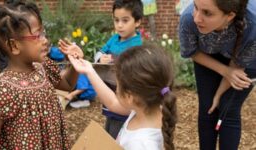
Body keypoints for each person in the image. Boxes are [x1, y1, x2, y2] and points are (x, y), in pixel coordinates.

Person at [0, 1, 83, 149]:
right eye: (37, 36)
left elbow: (68, 85)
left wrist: (74, 63)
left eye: (43, 33)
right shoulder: (4, 90)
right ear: (14, 46)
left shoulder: (42, 68)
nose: (45, 40)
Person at [64, 44, 177, 150]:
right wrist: (89, 71)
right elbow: (112, 102)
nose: (116, 89)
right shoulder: (147, 109)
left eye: (117, 84)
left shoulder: (141, 145)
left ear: (129, 96)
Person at [179, 0, 256, 149]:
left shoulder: (253, 24)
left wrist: (218, 95)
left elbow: (237, 65)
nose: (196, 18)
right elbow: (191, 52)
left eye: (207, 13)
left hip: (246, 59)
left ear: (229, 16)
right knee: (208, 107)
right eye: (196, 7)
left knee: (228, 108)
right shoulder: (188, 18)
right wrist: (225, 71)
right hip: (207, 54)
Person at [93, 0, 143, 139]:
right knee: (110, 126)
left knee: (119, 132)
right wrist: (100, 58)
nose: (119, 25)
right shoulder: (114, 39)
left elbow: (133, 68)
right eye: (116, 20)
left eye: (125, 20)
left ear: (137, 21)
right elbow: (100, 53)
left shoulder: (136, 45)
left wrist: (113, 59)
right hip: (110, 92)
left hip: (125, 98)